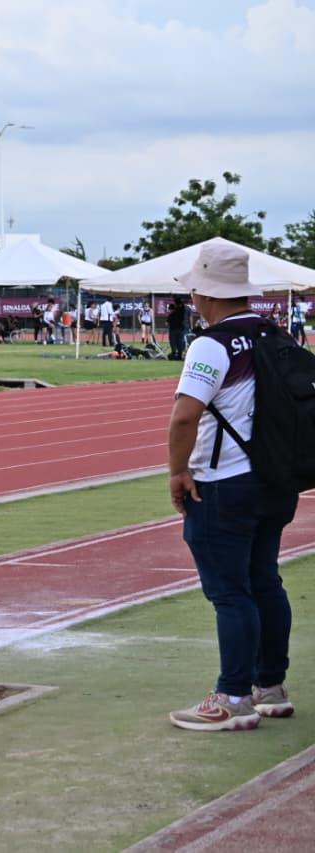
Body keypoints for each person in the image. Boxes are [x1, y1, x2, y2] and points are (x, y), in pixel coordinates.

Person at [166, 243, 298, 731]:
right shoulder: (275, 334)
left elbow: (185, 416)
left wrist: (178, 471)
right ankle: (271, 687)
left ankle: (234, 697)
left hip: (225, 483)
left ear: (204, 293)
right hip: (276, 479)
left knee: (230, 592)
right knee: (265, 580)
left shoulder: (211, 344)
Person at [167, 295, 188, 360]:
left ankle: (175, 353)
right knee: (179, 342)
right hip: (179, 328)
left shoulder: (178, 311)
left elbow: (167, 322)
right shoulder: (181, 310)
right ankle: (178, 354)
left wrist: (175, 298)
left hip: (175, 329)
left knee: (174, 342)